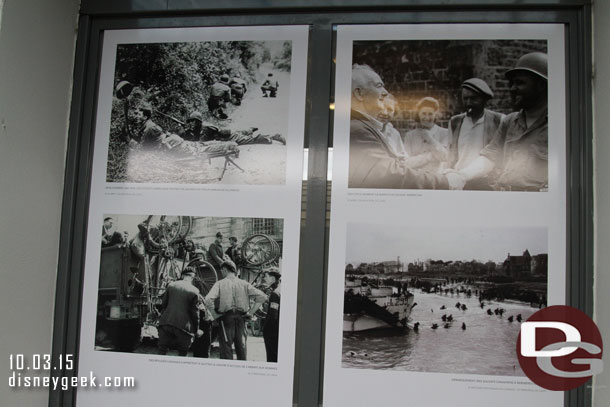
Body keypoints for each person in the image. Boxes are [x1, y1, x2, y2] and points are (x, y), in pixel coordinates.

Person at [451, 52, 549, 191]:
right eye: (512, 83)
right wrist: (460, 176)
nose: (512, 89)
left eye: (520, 83)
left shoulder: (559, 125)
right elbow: (489, 157)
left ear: (541, 85)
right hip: (504, 197)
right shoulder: (509, 121)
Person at [348, 64, 452, 189]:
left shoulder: (363, 126)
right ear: (359, 93)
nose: (385, 92)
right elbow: (391, 174)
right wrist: (445, 181)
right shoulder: (358, 130)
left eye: (430, 114)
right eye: (379, 86)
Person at [204, 260, 267, 360]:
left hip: (226, 320)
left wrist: (214, 315)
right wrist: (250, 313)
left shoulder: (220, 283)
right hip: (241, 318)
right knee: (241, 349)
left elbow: (208, 299)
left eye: (222, 271)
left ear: (224, 270)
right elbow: (262, 297)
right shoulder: (244, 284)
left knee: (226, 350)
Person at [448, 78, 504, 190]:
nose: (468, 103)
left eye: (473, 99)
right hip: (459, 182)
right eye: (465, 99)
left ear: (484, 99)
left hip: (486, 184)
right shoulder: (455, 122)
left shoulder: (498, 120)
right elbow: (450, 153)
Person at [157, 266, 201, 356]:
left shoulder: (171, 285)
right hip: (183, 327)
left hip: (166, 323)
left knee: (162, 351)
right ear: (192, 277)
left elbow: (164, 304)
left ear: (183, 275)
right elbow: (195, 313)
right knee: (182, 354)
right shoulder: (195, 291)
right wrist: (196, 330)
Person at [403, 96, 450, 171]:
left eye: (430, 114)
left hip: (437, 178)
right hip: (416, 178)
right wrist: (431, 156)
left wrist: (430, 139)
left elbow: (445, 157)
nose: (427, 117)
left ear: (435, 115)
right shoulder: (410, 135)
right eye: (424, 113)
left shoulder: (445, 133)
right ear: (419, 114)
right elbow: (406, 163)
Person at [263, 268, 281, 362]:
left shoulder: (275, 294)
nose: (264, 279)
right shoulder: (279, 291)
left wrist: (266, 329)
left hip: (272, 333)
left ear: (273, 279)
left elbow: (273, 316)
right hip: (277, 332)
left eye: (266, 276)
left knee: (272, 358)